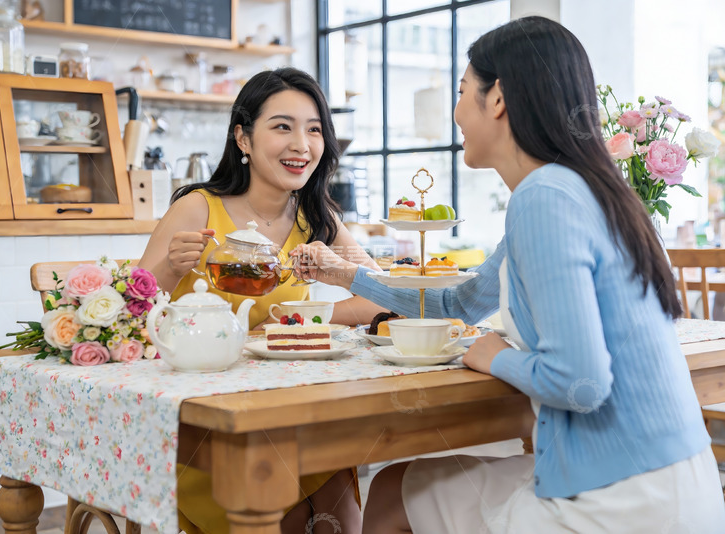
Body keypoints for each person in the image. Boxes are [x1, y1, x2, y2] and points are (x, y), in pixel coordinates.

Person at [290, 17, 725, 533]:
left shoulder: (543, 198)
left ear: (496, 99)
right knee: (393, 487)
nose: (456, 113)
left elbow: (581, 382)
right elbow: (458, 303)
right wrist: (349, 276)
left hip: (622, 498)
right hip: (675, 476)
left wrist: (495, 355)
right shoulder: (586, 190)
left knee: (392, 495)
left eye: (461, 92)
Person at [139, 67, 384, 534]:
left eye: (314, 130)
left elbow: (380, 297)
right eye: (282, 127)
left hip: (291, 410)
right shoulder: (197, 208)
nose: (302, 144)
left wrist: (299, 319)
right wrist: (170, 267)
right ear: (243, 140)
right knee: (286, 517)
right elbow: (134, 307)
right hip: (205, 424)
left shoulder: (316, 217)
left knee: (341, 512)